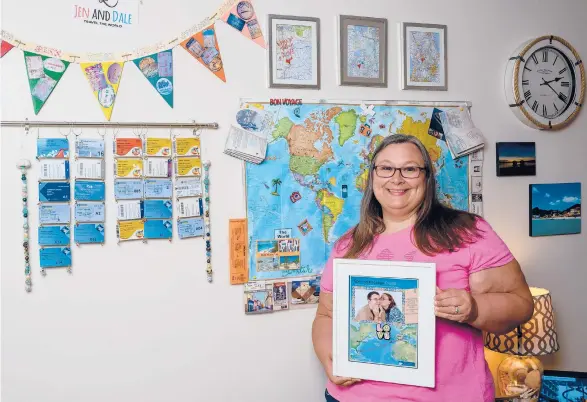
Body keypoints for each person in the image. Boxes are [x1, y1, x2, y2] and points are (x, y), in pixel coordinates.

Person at [311, 134, 534, 402]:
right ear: (372, 177)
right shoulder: (349, 244)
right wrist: (329, 359)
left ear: (427, 178)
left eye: (410, 169)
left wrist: (474, 308)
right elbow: (325, 316)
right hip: (352, 396)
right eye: (386, 168)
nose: (396, 179)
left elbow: (522, 304)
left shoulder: (468, 233)